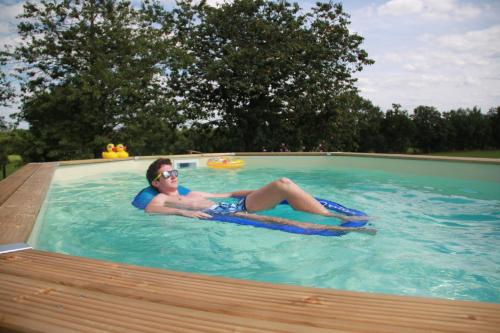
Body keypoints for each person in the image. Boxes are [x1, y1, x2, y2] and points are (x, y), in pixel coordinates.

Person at [145, 158, 368, 225]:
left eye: (173, 172)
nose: (173, 176)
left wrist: (261, 191)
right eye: (166, 175)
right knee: (280, 214)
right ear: (156, 183)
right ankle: (334, 220)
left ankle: (335, 217)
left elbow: (228, 194)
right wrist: (183, 213)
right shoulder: (163, 197)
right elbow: (151, 208)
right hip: (229, 213)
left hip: (239, 205)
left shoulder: (192, 193)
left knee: (283, 185)